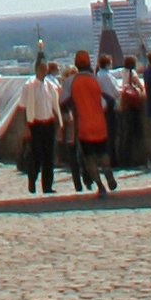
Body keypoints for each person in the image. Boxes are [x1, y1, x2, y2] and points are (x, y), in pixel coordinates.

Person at [68, 47, 113, 195]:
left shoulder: (72, 82)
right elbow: (105, 103)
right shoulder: (96, 80)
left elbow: (63, 100)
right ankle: (108, 172)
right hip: (99, 124)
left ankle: (100, 186)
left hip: (83, 127)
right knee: (103, 153)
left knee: (90, 159)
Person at [20, 48, 61, 195]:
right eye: (43, 70)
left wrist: (58, 122)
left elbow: (55, 103)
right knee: (36, 155)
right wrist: (26, 127)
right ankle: (32, 179)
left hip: (48, 123)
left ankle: (47, 186)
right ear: (38, 70)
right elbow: (23, 107)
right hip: (35, 124)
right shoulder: (29, 86)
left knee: (49, 156)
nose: (45, 73)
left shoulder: (50, 85)